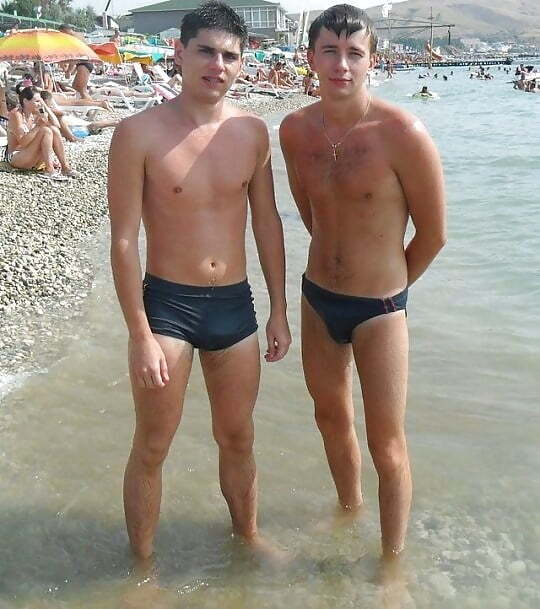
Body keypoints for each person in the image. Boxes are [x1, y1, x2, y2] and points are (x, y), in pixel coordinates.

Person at [108, 1, 290, 562]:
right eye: (206, 51)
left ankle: (248, 540)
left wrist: (279, 308)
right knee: (153, 444)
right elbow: (123, 240)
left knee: (238, 438)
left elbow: (267, 222)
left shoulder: (252, 132)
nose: (218, 65)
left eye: (229, 56)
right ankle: (142, 567)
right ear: (180, 52)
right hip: (167, 306)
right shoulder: (138, 133)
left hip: (234, 304)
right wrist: (139, 334)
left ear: (242, 63)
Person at [280, 4, 446, 559]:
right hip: (317, 299)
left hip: (380, 309)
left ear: (372, 60)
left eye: (354, 53)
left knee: (387, 444)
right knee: (329, 418)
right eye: (330, 51)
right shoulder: (294, 130)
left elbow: (434, 234)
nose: (342, 65)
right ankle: (348, 511)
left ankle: (392, 565)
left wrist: (390, 291)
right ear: (311, 57)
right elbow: (312, 212)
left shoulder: (402, 133)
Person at [5, 86, 78, 180]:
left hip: (30, 154)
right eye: (36, 101)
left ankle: (65, 167)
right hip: (16, 155)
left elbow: (57, 125)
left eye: (40, 101)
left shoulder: (35, 112)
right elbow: (23, 142)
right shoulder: (17, 115)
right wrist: (38, 126)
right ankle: (50, 169)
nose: (39, 104)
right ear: (25, 101)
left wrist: (44, 106)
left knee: (53, 129)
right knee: (45, 130)